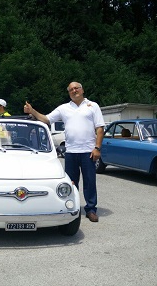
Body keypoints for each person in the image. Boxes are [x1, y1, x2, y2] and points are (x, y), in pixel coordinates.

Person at [24, 81, 105, 222]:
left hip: (88, 152)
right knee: (71, 183)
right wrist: (32, 111)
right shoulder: (64, 108)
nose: (74, 91)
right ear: (69, 92)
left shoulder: (93, 106)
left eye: (76, 88)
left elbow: (100, 129)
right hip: (71, 152)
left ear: (82, 89)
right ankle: (71, 207)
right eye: (71, 89)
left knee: (90, 182)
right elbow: (47, 119)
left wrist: (97, 148)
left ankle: (91, 209)